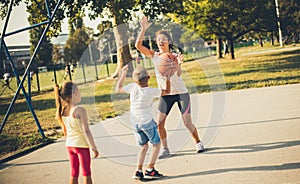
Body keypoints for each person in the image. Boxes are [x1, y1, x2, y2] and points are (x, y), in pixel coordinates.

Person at [135, 16, 205, 159]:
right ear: (156, 42)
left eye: (163, 39)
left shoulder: (174, 56)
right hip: (165, 95)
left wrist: (178, 64)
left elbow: (178, 73)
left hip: (181, 94)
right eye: (159, 39)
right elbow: (138, 46)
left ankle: (198, 142)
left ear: (168, 41)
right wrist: (143, 29)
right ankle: (165, 149)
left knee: (187, 122)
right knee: (160, 123)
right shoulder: (154, 56)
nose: (161, 41)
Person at [116, 65, 170, 180]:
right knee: (156, 143)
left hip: (135, 123)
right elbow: (167, 91)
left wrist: (123, 74)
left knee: (143, 146)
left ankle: (138, 171)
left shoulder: (132, 87)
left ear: (135, 80)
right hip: (146, 121)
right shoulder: (150, 91)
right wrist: (167, 78)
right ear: (149, 77)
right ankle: (150, 169)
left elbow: (119, 88)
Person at [54, 81, 99, 184]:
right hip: (81, 146)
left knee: (74, 173)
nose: (80, 94)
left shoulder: (63, 110)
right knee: (86, 173)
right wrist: (93, 147)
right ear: (74, 93)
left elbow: (66, 130)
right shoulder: (79, 110)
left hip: (69, 145)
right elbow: (86, 131)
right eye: (79, 91)